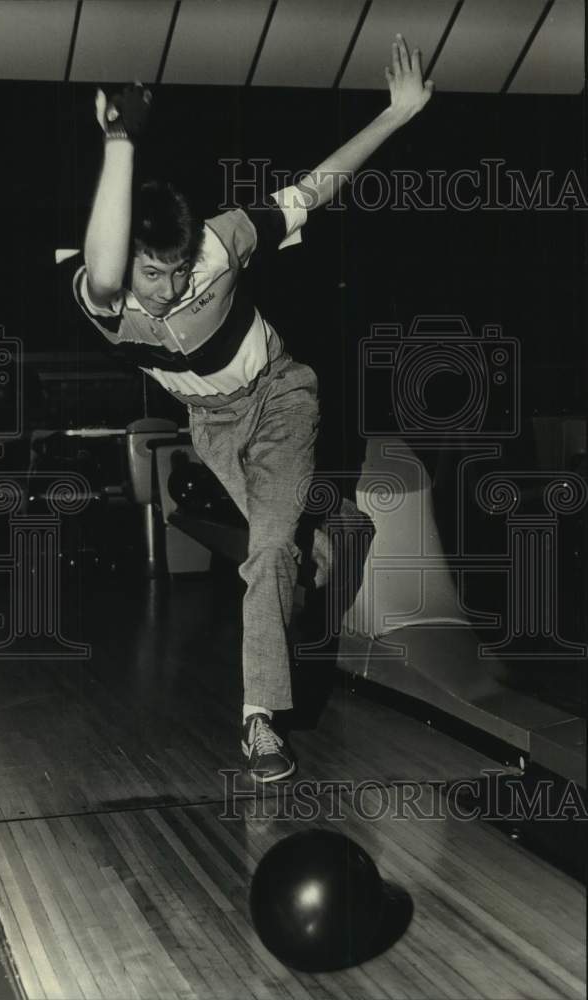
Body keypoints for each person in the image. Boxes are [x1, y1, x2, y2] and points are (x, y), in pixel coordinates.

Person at [75, 34, 434, 783]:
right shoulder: (102, 293)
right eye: (152, 274)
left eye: (177, 275)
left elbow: (315, 187)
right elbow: (109, 270)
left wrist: (396, 116)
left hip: (278, 396)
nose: (167, 291)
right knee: (294, 558)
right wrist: (117, 141)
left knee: (268, 553)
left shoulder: (220, 240)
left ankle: (259, 720)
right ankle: (328, 535)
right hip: (210, 426)